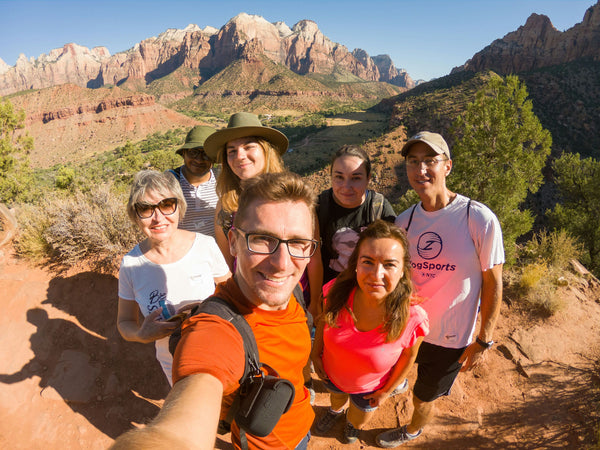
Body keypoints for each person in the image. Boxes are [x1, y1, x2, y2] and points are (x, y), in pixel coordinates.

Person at [110, 172, 318, 450]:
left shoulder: (290, 289)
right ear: (233, 242)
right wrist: (142, 333)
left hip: (301, 424)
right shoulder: (215, 331)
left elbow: (225, 284)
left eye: (297, 243)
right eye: (261, 239)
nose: (282, 263)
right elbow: (178, 434)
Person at [375, 131, 504, 447]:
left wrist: (484, 338)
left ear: (447, 166)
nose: (421, 170)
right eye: (413, 162)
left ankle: (412, 430)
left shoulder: (478, 217)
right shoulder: (404, 222)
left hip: (449, 337)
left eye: (430, 161)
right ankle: (402, 380)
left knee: (423, 400)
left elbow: (493, 282)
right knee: (398, 376)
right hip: (406, 329)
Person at [311, 220, 429, 444]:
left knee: (358, 418)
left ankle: (351, 425)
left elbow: (408, 357)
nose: (376, 274)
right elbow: (324, 323)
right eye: (368, 262)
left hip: (369, 390)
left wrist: (387, 392)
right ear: (356, 264)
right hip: (331, 376)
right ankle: (336, 412)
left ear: (402, 270)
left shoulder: (413, 317)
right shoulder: (335, 293)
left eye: (389, 264)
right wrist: (316, 354)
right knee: (336, 400)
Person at [117, 170, 231, 386]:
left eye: (167, 204)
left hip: (220, 350)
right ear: (135, 215)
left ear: (179, 207)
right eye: (146, 209)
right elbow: (125, 322)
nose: (158, 217)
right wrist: (142, 334)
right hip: (174, 362)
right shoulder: (131, 265)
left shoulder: (205, 245)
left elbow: (231, 293)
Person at [309, 145, 396, 315]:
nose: (346, 186)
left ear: (368, 178)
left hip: (367, 296)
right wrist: (314, 301)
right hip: (329, 295)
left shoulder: (379, 208)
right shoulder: (320, 206)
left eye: (355, 178)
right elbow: (313, 257)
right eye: (339, 177)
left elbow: (394, 259)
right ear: (331, 177)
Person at [170, 125, 219, 237]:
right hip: (182, 251)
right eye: (193, 152)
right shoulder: (170, 182)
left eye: (206, 154)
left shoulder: (223, 181)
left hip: (218, 251)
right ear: (184, 154)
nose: (199, 159)